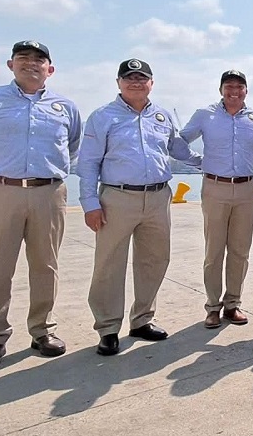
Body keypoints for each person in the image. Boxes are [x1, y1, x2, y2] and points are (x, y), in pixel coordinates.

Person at [0, 41, 82, 374]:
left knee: (46, 265)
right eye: (24, 59)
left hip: (49, 193)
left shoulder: (65, 107)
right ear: (10, 64)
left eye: (39, 60)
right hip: (1, 192)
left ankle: (43, 331)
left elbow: (73, 148)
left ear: (50, 69)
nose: (31, 64)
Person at [77, 59, 201, 356]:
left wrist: (209, 162)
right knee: (109, 265)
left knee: (155, 260)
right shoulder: (102, 117)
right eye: (129, 78)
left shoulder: (161, 116)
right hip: (118, 198)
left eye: (141, 78)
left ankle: (142, 319)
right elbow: (88, 162)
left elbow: (178, 150)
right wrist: (89, 203)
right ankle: (107, 328)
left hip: (158, 197)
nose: (136, 82)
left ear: (151, 82)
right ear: (118, 82)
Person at [180, 69, 253, 329]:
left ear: (246, 91)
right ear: (221, 90)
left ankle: (233, 304)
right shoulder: (205, 115)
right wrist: (198, 162)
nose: (234, 91)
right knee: (214, 250)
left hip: (246, 188)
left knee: (240, 250)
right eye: (229, 86)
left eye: (239, 87)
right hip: (215, 187)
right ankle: (212, 307)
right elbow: (179, 141)